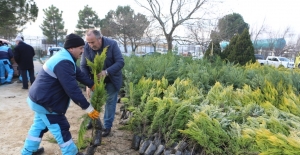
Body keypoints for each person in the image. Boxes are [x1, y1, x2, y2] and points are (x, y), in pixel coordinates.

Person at [21, 33, 100, 155]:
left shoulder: (65, 57)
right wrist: (88, 108)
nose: (83, 51)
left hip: (38, 99)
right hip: (46, 103)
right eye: (81, 48)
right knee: (61, 128)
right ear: (71, 48)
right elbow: (72, 89)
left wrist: (91, 84)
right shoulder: (63, 62)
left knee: (39, 126)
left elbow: (77, 73)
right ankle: (71, 153)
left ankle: (28, 151)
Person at [80, 29, 124, 137]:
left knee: (110, 103)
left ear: (99, 39)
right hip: (95, 81)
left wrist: (106, 72)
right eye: (88, 42)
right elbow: (83, 66)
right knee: (94, 101)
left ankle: (107, 126)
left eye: (92, 42)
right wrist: (87, 83)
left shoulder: (112, 44)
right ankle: (93, 121)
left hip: (111, 80)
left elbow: (120, 62)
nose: (90, 45)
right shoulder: (86, 47)